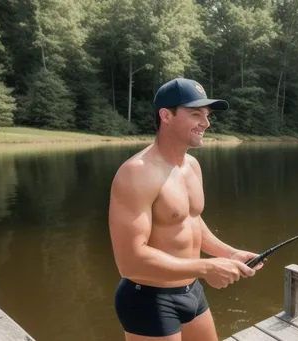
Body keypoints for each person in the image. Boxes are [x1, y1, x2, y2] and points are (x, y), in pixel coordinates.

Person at [108, 77, 264, 341]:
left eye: (207, 114)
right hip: (148, 299)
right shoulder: (137, 173)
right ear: (165, 115)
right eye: (195, 114)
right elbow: (130, 262)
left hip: (191, 291)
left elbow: (190, 222)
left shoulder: (191, 165)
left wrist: (229, 253)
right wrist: (206, 268)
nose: (206, 122)